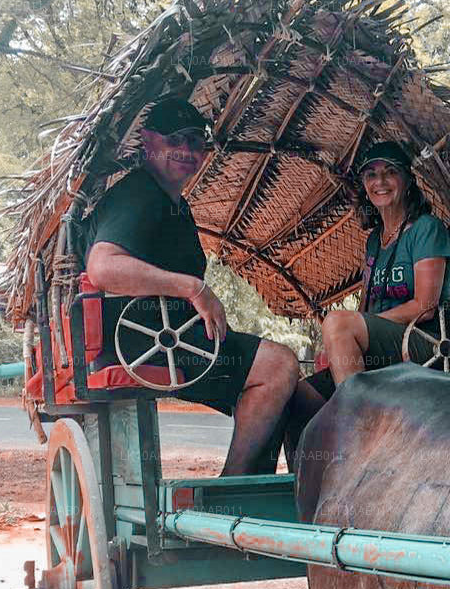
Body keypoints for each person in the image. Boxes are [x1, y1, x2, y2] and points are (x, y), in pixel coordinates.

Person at [81, 97, 300, 475]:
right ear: (148, 142)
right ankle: (232, 489)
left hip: (172, 337)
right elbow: (103, 268)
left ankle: (267, 492)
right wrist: (194, 289)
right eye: (175, 140)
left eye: (196, 142)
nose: (186, 150)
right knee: (278, 366)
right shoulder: (139, 195)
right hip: (145, 341)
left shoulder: (173, 204)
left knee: (303, 394)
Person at [291, 141, 450, 418]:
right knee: (297, 398)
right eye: (371, 174)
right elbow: (366, 307)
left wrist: (347, 329)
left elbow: (425, 306)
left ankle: (360, 429)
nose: (380, 181)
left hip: (423, 342)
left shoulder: (427, 228)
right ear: (365, 186)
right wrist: (337, 344)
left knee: (337, 322)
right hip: (380, 342)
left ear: (407, 180)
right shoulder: (374, 241)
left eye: (390, 172)